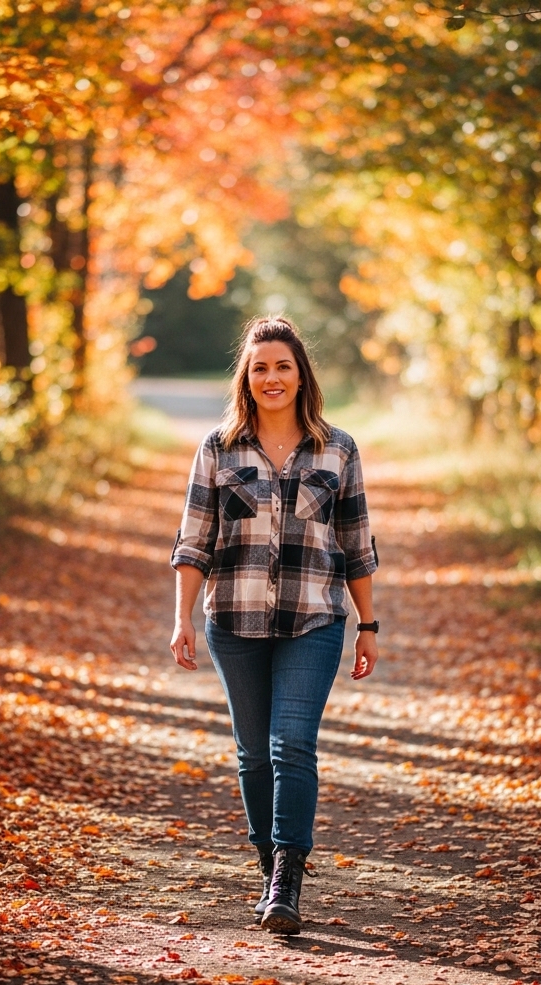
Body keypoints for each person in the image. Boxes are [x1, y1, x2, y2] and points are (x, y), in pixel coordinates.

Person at [169, 314, 379, 935]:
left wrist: (368, 624)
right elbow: (194, 539)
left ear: (301, 374)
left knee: (292, 744)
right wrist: (180, 617)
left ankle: (287, 875)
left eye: (283, 366)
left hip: (313, 620)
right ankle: (268, 861)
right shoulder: (218, 447)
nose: (272, 377)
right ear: (246, 377)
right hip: (233, 620)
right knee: (254, 755)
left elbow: (356, 543)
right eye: (260, 367)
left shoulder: (337, 449)